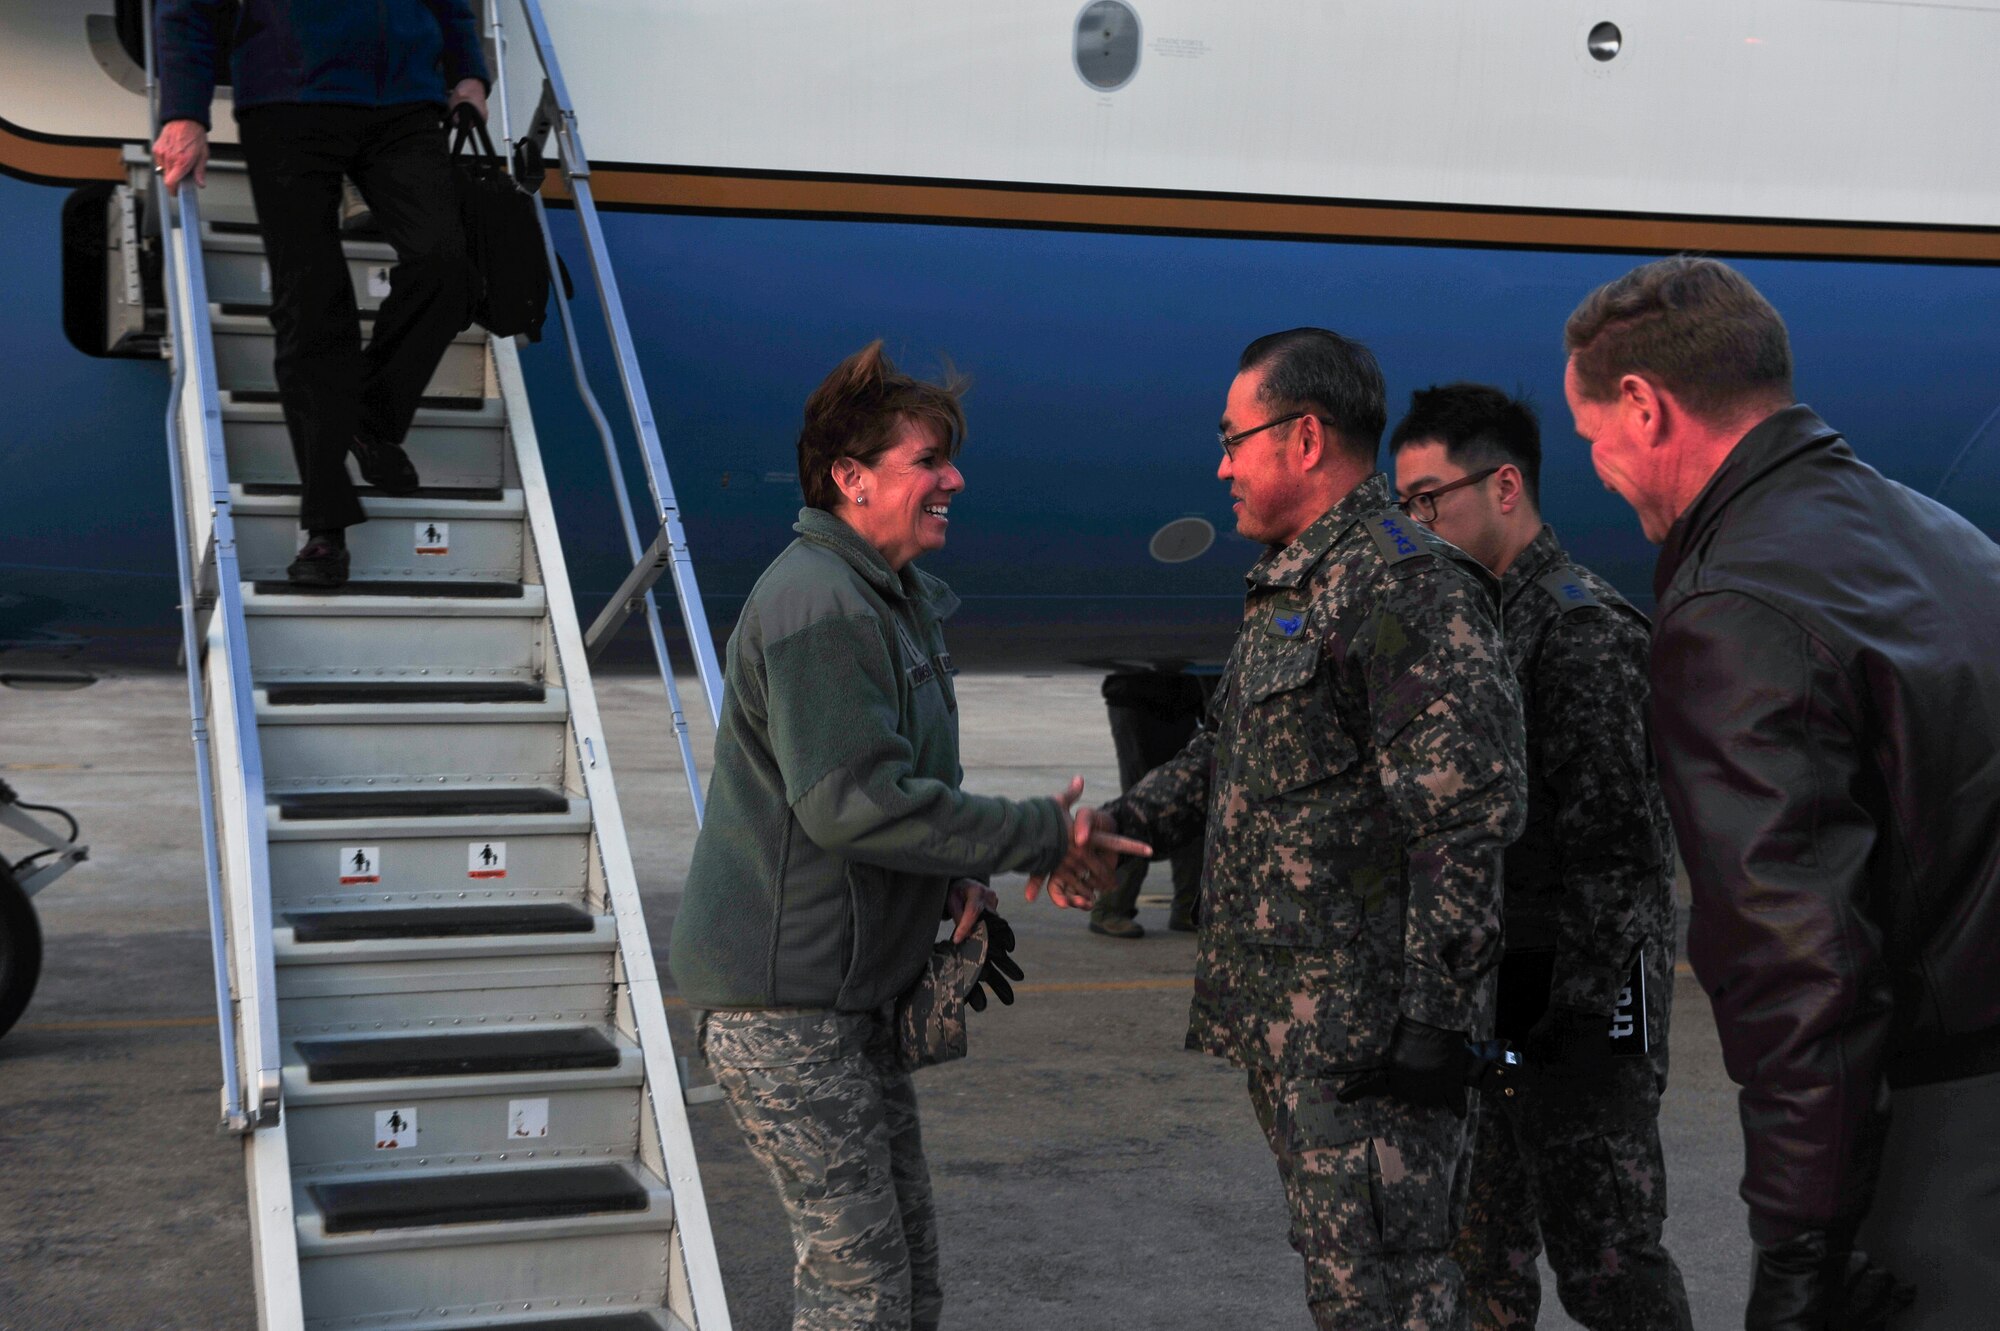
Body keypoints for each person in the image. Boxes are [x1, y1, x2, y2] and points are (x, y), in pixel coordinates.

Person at [668, 342, 1147, 1331]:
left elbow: (889, 793)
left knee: (905, 1279)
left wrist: (945, 885)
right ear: (851, 477)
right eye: (929, 459)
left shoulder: (882, 598)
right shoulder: (819, 603)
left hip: (842, 1001)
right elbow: (854, 801)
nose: (953, 479)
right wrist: (1033, 834)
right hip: (783, 1011)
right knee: (859, 1293)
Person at [1564, 255, 2000, 1330]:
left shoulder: (1732, 606)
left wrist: (1800, 1257)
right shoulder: (1947, 540)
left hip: (1930, 1152)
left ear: (1643, 404)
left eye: (1591, 436)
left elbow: (1804, 976)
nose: (1599, 467)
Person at [1083, 328, 1528, 1329]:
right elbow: (1228, 753)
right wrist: (1113, 826)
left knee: (1393, 1285)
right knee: (1345, 1283)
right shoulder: (1300, 585)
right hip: (1294, 1028)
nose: (1220, 463)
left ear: (1304, 437)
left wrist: (1431, 1021)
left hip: (1369, 1038)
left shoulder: (1404, 582)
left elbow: (1462, 816)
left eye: (1232, 437)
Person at [1389, 384, 1691, 1331]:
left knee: (1608, 1263)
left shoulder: (1581, 631)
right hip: (1495, 997)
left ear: (1506, 485)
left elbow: (1621, 857)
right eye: (1404, 505)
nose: (1415, 525)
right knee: (1481, 1258)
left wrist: (1581, 1018)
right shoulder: (1467, 622)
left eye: (1430, 498)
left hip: (1580, 1012)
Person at [152, 1, 489, 588]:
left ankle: (368, 419)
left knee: (446, 266)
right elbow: (186, 9)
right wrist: (185, 110)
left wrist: (469, 73)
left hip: (404, 102)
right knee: (312, 312)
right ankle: (325, 527)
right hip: (287, 100)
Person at [1089, 667, 1216, 938]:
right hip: (1138, 701)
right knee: (1140, 811)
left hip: (1182, 704)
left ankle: (1189, 906)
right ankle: (1112, 908)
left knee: (1191, 805)